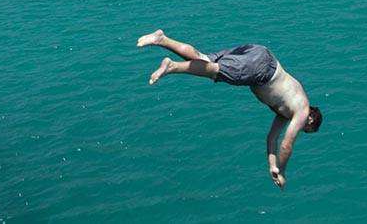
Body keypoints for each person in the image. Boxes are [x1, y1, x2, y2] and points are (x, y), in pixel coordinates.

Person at [136, 29, 322, 189]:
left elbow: (272, 138)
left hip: (260, 56)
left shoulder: (285, 111)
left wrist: (272, 166)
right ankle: (172, 67)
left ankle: (161, 39)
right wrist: (283, 172)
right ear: (311, 120)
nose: (301, 130)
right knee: (216, 71)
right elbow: (286, 145)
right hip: (262, 70)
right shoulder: (302, 109)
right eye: (306, 130)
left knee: (203, 59)